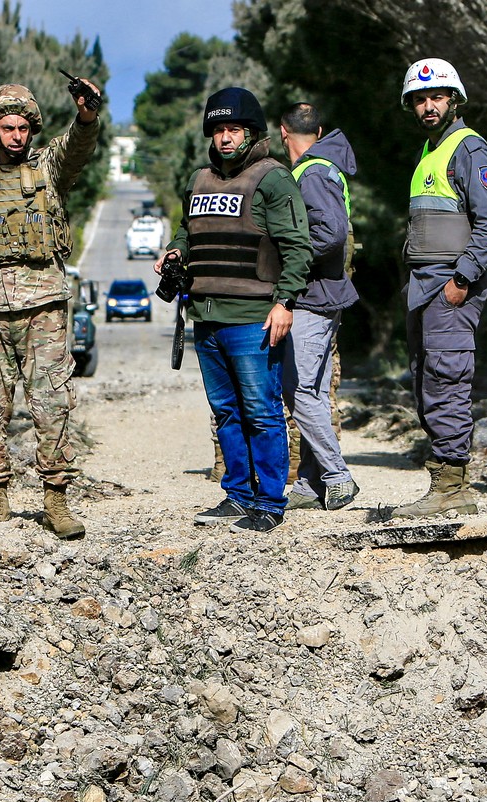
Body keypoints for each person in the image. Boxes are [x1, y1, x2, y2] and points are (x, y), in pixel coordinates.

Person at [0, 79, 100, 539]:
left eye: (23, 128)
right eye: (7, 128)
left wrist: (87, 115)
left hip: (43, 307)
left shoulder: (48, 168)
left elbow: (76, 148)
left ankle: (56, 501)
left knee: (52, 402)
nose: (16, 136)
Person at [157, 87, 312, 533]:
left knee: (261, 411)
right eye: (219, 129)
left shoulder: (272, 178)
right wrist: (175, 250)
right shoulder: (198, 180)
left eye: (234, 129)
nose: (225, 138)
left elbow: (298, 247)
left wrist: (285, 303)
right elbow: (187, 231)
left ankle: (270, 502)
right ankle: (238, 494)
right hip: (206, 317)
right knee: (225, 411)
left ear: (252, 133)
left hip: (253, 319)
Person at [395, 58, 487, 517]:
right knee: (427, 381)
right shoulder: (430, 150)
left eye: (436, 97)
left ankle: (452, 487)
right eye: (420, 99)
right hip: (424, 286)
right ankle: (442, 481)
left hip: (450, 286)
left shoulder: (469, 148)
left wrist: (462, 279)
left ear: (454, 100)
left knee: (447, 380)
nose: (428, 106)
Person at [279, 102, 360, 511]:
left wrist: (289, 263)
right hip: (325, 295)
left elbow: (330, 232)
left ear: (283, 132)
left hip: (312, 297)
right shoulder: (323, 168)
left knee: (298, 390)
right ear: (319, 131)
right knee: (312, 391)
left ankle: (338, 476)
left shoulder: (311, 173)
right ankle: (310, 485)